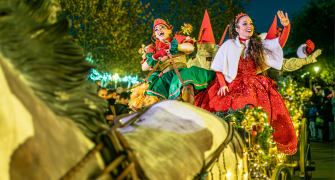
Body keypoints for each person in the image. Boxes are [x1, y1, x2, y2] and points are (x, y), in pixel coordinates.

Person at [195, 11, 297, 155]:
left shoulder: (258, 44)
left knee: (257, 108)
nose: (249, 26)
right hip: (230, 83)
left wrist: (286, 27)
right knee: (215, 107)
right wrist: (222, 84)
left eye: (251, 23)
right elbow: (218, 67)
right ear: (237, 29)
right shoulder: (228, 45)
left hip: (253, 84)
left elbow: (278, 44)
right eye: (245, 24)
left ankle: (255, 143)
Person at [136, 19, 215, 105]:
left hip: (180, 72)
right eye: (156, 29)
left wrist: (174, 47)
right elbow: (144, 67)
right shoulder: (153, 48)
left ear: (169, 30)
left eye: (162, 27)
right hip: (165, 79)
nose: (159, 30)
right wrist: (155, 56)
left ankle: (188, 112)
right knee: (154, 100)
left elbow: (190, 48)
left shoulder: (177, 39)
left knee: (186, 83)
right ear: (155, 35)